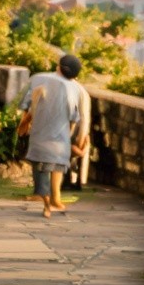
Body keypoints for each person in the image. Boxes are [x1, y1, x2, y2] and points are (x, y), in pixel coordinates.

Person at [20, 53, 87, 218]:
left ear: (58, 66)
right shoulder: (74, 88)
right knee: (57, 166)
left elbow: (26, 106)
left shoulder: (38, 79)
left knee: (40, 170)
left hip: (39, 136)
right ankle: (54, 201)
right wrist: (71, 134)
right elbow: (73, 116)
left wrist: (24, 124)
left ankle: (46, 203)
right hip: (60, 138)